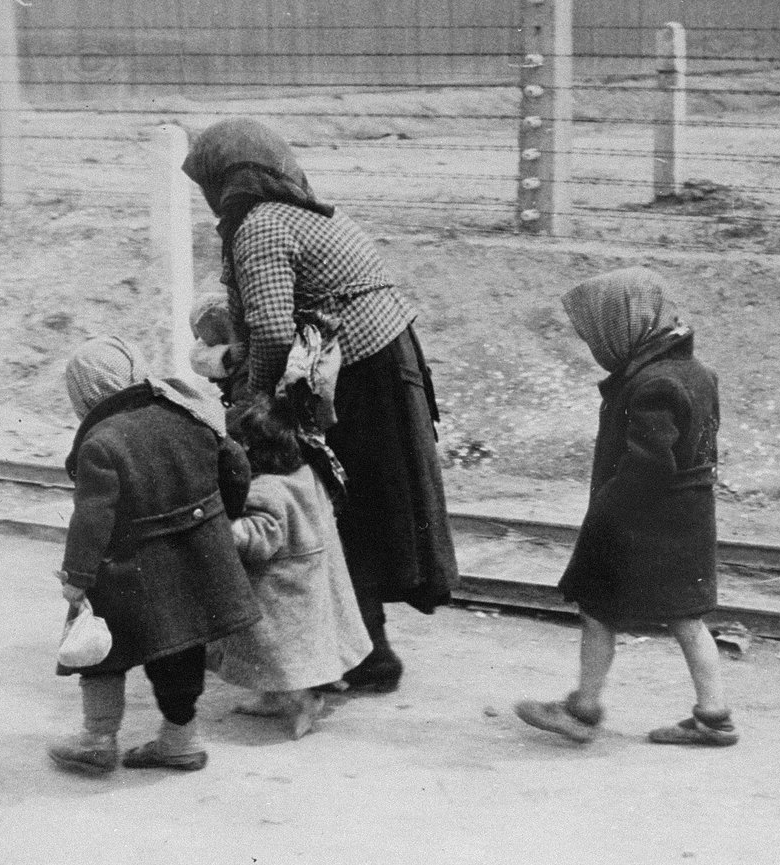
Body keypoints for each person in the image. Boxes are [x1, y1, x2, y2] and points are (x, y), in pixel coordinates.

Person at [181, 117, 458, 693]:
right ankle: (365, 651)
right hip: (381, 366)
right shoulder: (306, 212)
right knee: (361, 512)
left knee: (337, 509)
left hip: (356, 379)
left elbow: (271, 331)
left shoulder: (260, 225)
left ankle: (362, 655)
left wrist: (252, 404)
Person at [514, 269, 739, 747]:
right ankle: (714, 716)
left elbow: (650, 466)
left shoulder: (651, 384)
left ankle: (583, 709)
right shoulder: (699, 374)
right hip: (690, 517)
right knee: (688, 618)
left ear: (624, 327)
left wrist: (605, 508)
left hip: (640, 522)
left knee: (598, 610)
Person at [47, 336, 261, 775]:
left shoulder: (101, 442)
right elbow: (236, 465)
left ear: (86, 395)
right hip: (194, 560)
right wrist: (218, 523)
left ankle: (97, 739)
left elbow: (92, 520)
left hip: (126, 571)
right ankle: (181, 741)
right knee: (181, 651)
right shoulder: (186, 410)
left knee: (100, 650)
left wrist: (76, 578)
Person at [209, 394, 372, 739]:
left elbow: (259, 538)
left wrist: (224, 528)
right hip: (308, 576)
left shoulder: (264, 491)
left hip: (282, 590)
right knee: (279, 655)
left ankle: (306, 701)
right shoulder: (304, 472)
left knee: (283, 654)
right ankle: (272, 697)